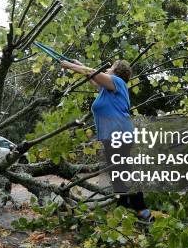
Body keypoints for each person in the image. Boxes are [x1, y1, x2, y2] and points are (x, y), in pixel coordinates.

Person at [60, 59, 149, 218]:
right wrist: (78, 64)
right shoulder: (107, 89)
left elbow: (92, 72)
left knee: (123, 173)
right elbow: (92, 77)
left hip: (119, 134)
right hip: (114, 135)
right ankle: (124, 209)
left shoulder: (117, 82)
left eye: (111, 67)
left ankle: (143, 212)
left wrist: (70, 66)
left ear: (117, 72)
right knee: (117, 174)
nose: (108, 69)